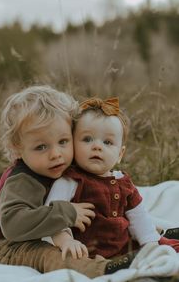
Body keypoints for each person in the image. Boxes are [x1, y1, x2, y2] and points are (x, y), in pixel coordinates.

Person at [0, 86, 135, 279]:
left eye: (63, 141)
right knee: (47, 254)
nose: (56, 154)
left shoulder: (61, 167)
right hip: (7, 244)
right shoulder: (22, 180)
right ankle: (100, 269)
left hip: (44, 230)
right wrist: (67, 213)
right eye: (41, 147)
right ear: (17, 148)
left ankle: (157, 235)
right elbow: (13, 225)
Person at [44, 97, 179, 264]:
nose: (97, 146)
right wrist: (66, 241)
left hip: (125, 246)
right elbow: (52, 216)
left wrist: (150, 244)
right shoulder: (70, 181)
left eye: (107, 142)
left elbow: (138, 217)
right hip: (88, 251)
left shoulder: (123, 182)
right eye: (87, 139)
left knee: (163, 248)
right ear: (72, 144)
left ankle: (163, 236)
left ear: (120, 154)